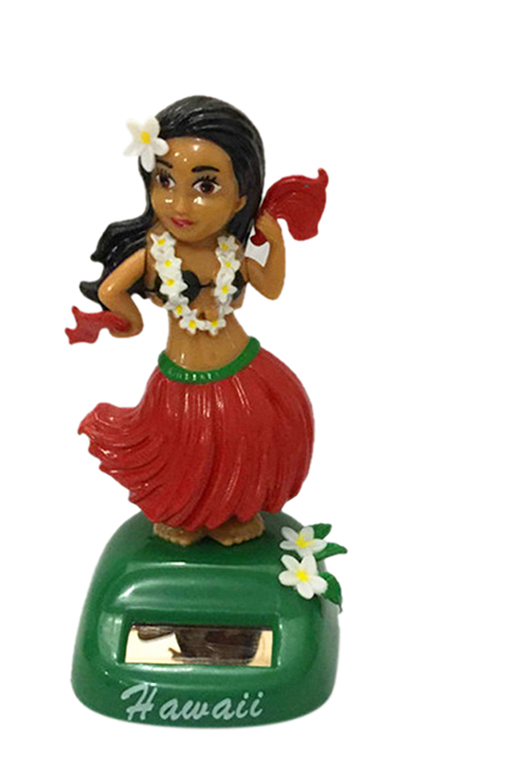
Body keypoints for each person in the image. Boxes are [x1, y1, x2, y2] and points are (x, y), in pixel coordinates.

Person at [68, 96, 326, 546]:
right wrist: (126, 322)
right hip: (182, 375)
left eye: (205, 187)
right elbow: (111, 290)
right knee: (184, 452)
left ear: (240, 198)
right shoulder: (154, 255)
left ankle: (230, 513)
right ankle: (187, 514)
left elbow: (270, 287)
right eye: (166, 181)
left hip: (243, 369)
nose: (180, 203)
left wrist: (276, 242)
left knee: (241, 447)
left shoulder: (231, 252)